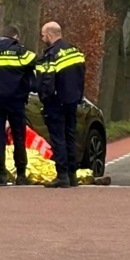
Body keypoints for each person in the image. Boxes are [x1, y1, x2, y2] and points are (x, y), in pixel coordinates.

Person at [0, 25, 36, 186]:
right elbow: (35, 63)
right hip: (16, 100)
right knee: (19, 137)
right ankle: (21, 174)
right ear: (15, 37)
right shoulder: (19, 51)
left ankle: (1, 175)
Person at [36, 22, 86, 189]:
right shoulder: (75, 51)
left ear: (50, 35)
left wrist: (44, 98)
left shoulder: (52, 54)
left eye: (43, 35)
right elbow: (81, 76)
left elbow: (47, 81)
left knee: (58, 139)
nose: (42, 38)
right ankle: (72, 175)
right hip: (72, 100)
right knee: (70, 137)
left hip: (56, 102)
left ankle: (62, 174)